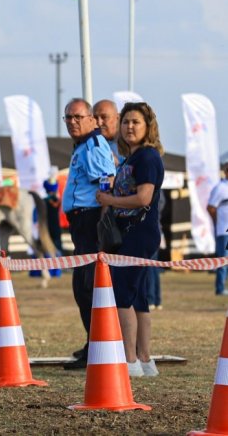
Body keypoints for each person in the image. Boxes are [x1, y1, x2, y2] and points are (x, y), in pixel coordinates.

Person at [96, 102, 165, 377]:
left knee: (122, 293)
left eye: (136, 122)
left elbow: (144, 198)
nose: (129, 127)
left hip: (139, 232)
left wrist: (110, 199)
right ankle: (145, 361)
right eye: (125, 122)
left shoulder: (148, 157)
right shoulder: (131, 158)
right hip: (131, 233)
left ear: (148, 126)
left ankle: (129, 361)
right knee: (138, 298)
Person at [61, 98, 116, 370]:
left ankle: (98, 346)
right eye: (68, 118)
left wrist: (103, 225)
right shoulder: (82, 146)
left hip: (90, 221)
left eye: (78, 117)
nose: (73, 122)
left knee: (87, 288)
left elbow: (107, 181)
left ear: (92, 120)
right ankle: (93, 343)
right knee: (83, 288)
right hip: (81, 222)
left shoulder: (93, 145)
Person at [207, 160, 228, 296]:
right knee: (223, 260)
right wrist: (217, 222)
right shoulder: (220, 187)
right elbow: (210, 207)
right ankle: (220, 288)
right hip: (223, 230)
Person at [93, 99, 122, 164]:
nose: (99, 123)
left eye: (104, 117)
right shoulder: (90, 146)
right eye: (95, 118)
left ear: (117, 118)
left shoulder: (131, 146)